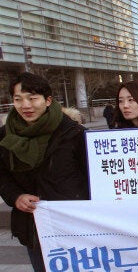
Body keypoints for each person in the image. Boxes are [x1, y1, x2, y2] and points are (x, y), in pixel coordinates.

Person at [0, 72, 89, 271]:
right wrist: (16, 196)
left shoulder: (73, 133)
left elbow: (91, 176)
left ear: (48, 100)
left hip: (74, 224)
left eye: (32, 99)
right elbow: (2, 175)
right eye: (18, 99)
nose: (26, 106)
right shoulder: (5, 136)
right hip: (33, 226)